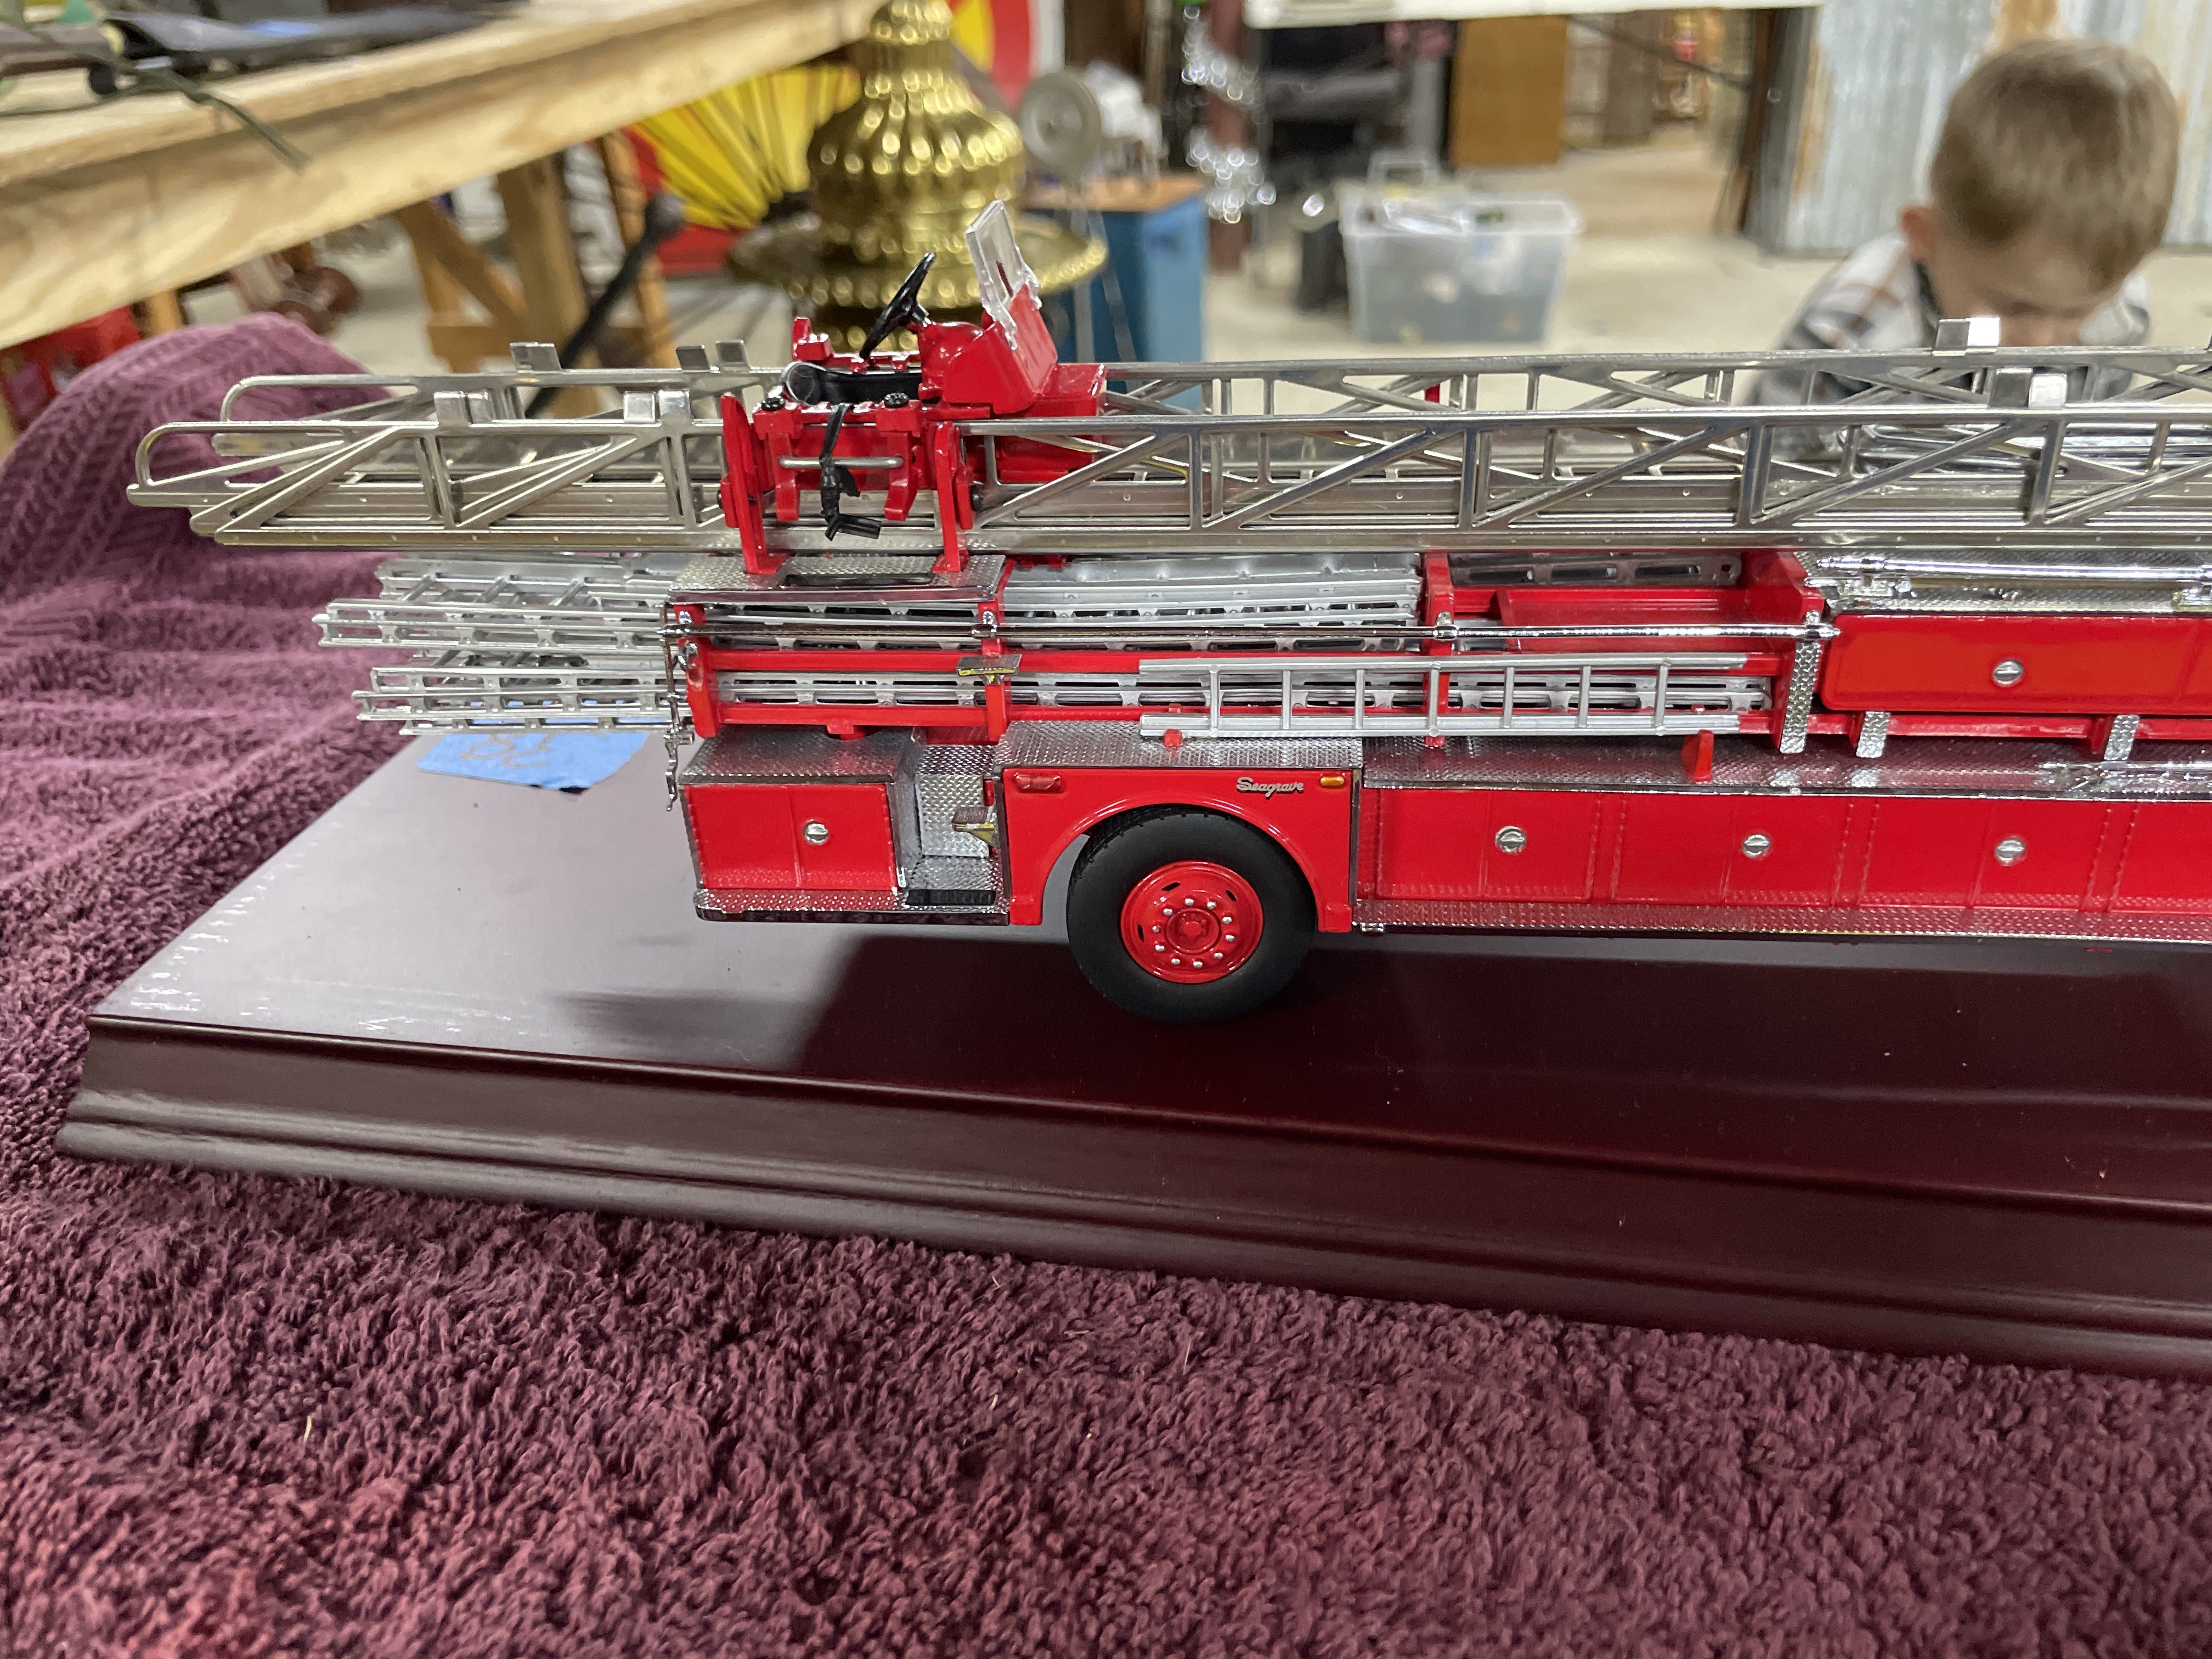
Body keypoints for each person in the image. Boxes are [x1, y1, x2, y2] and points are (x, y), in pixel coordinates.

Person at [1754, 37, 2179, 404]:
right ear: (1925, 235)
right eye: (2014, 307)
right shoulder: (1848, 332)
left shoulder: (2121, 313)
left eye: (2078, 311)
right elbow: (1769, 459)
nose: (2041, 341)